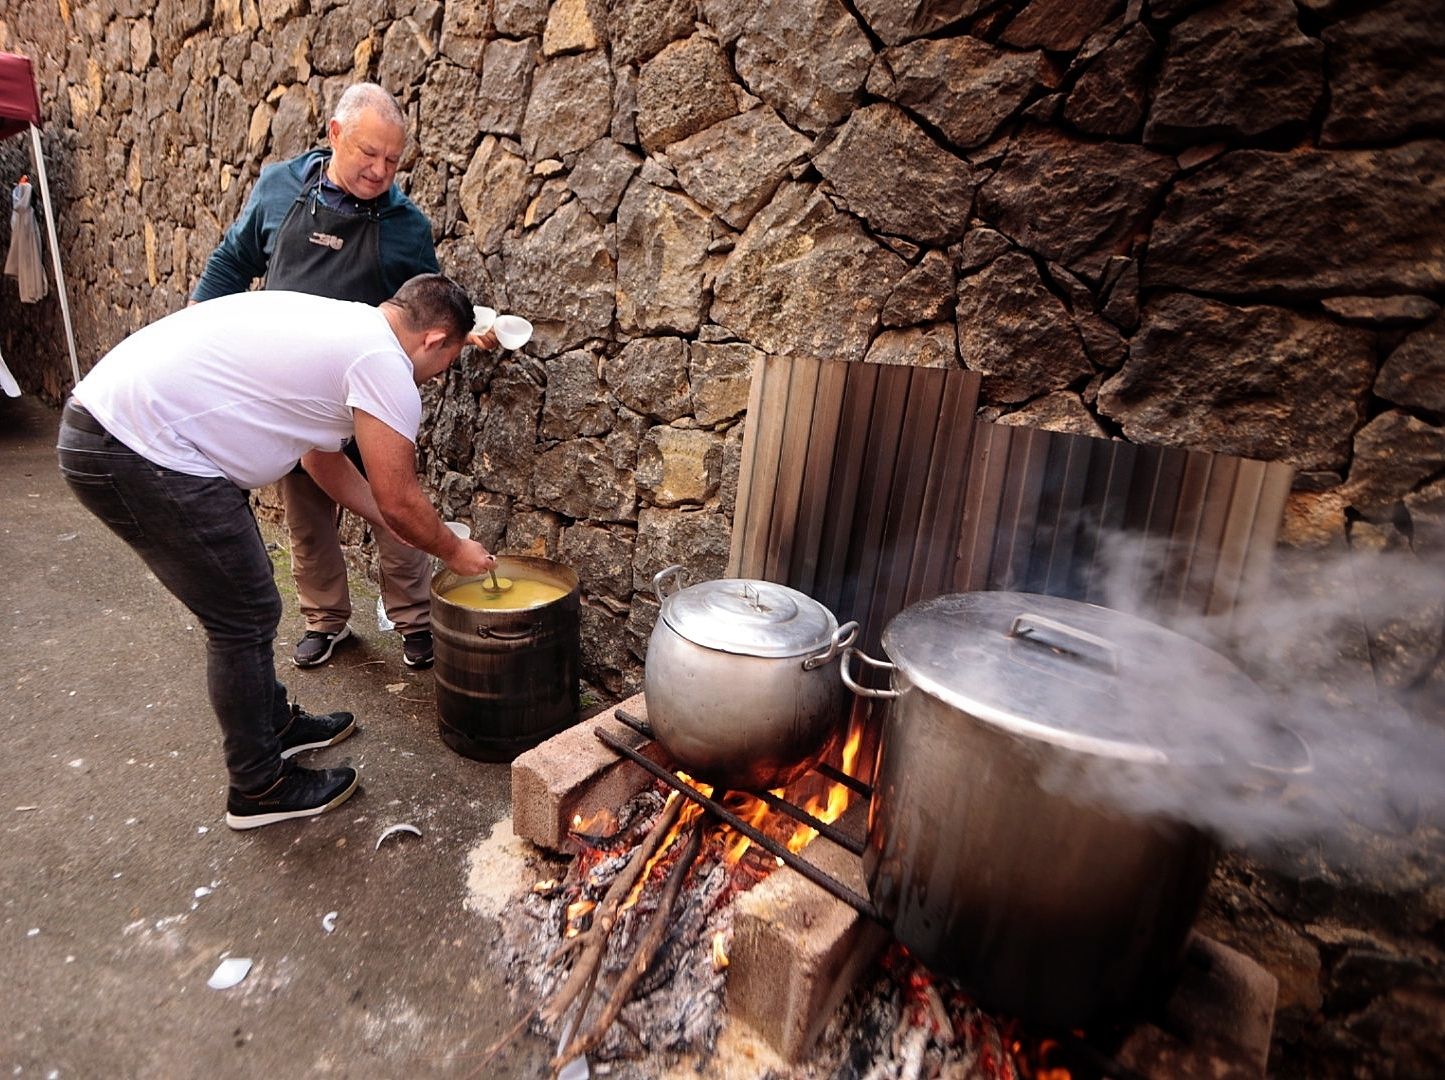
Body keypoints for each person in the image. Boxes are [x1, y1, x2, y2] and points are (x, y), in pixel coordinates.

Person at [57, 274, 498, 829]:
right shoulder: (384, 364)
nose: (442, 376)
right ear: (435, 339)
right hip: (135, 446)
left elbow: (323, 462)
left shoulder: (350, 330)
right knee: (242, 615)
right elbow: (401, 497)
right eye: (450, 359)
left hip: (119, 430)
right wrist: (455, 552)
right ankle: (258, 786)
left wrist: (398, 524)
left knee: (249, 594)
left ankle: (274, 727)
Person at [190, 82, 489, 671]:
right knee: (308, 517)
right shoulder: (281, 188)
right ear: (333, 134)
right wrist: (199, 324)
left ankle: (414, 620)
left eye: (393, 160)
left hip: (372, 395)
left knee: (395, 504)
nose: (380, 170)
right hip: (296, 396)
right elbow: (232, 259)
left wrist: (464, 330)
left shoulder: (406, 225)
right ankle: (325, 620)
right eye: (367, 153)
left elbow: (426, 304)